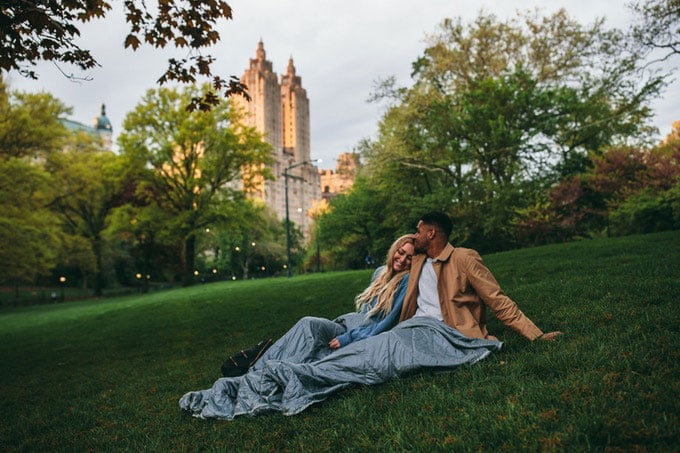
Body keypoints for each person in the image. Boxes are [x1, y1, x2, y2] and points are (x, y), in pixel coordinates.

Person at [214, 233, 415, 377]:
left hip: (358, 336)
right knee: (308, 325)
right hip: (347, 325)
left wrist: (348, 338)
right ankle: (261, 362)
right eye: (401, 252)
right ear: (394, 249)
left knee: (310, 334)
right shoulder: (380, 272)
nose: (402, 259)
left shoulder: (406, 282)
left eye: (409, 258)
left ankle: (258, 368)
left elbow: (385, 324)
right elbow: (363, 313)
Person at [400, 211, 562, 341]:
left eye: (418, 231)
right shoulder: (417, 260)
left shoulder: (463, 258)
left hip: (446, 333)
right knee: (381, 346)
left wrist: (536, 335)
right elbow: (391, 269)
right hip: (413, 327)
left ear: (431, 234)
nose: (414, 236)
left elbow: (497, 299)